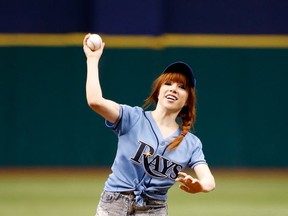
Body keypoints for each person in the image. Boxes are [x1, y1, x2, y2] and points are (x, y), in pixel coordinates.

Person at [83, 33, 215, 216]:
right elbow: (95, 101)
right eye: (168, 83)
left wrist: (201, 187)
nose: (173, 89)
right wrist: (92, 59)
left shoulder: (191, 143)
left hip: (154, 209)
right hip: (114, 202)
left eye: (182, 87)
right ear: (158, 91)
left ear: (187, 100)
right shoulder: (132, 117)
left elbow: (209, 181)